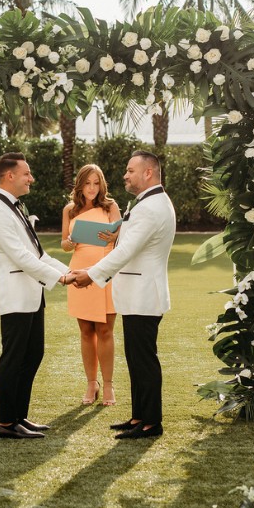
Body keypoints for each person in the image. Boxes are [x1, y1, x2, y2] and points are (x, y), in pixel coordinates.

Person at [68, 150, 175, 441]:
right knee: (136, 359)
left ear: (148, 173)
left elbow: (126, 251)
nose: (125, 175)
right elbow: (122, 247)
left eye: (130, 170)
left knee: (144, 360)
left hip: (144, 295)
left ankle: (152, 423)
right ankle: (139, 417)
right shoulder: (146, 203)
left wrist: (90, 274)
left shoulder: (152, 207)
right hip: (135, 294)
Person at [0, 152, 71, 440]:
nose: (31, 178)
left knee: (33, 354)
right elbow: (19, 257)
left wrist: (71, 272)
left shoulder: (14, 207)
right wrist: (61, 278)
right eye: (26, 174)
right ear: (10, 176)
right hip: (16, 293)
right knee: (14, 358)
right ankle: (6, 423)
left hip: (33, 292)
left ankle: (19, 416)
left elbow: (38, 253)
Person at [60, 163, 121, 406]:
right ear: (80, 184)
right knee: (86, 332)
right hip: (79, 271)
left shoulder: (111, 206)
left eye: (96, 183)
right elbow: (63, 243)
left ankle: (108, 385)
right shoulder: (70, 210)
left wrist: (115, 236)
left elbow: (122, 239)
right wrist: (70, 243)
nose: (92, 188)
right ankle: (91, 383)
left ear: (102, 184)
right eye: (88, 183)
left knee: (105, 330)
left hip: (105, 272)